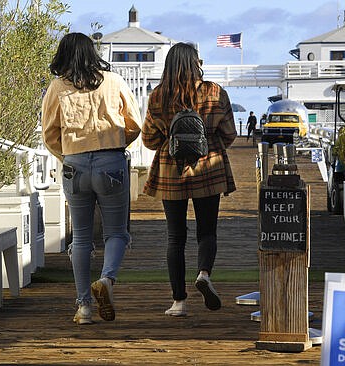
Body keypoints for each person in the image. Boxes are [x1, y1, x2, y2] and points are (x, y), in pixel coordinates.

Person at [41, 32, 142, 324]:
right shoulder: (113, 81)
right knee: (117, 233)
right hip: (111, 161)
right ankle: (107, 280)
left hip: (75, 165)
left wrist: (69, 155)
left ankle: (84, 306)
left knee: (82, 238)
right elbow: (134, 124)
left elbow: (50, 134)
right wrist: (118, 145)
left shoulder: (57, 87)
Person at [142, 43, 237, 317]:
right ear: (196, 63)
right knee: (207, 231)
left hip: (171, 172)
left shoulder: (158, 96)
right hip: (209, 169)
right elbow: (229, 133)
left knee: (175, 237)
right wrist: (208, 143)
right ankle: (204, 274)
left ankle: (179, 302)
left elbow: (148, 140)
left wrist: (170, 140)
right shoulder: (215, 92)